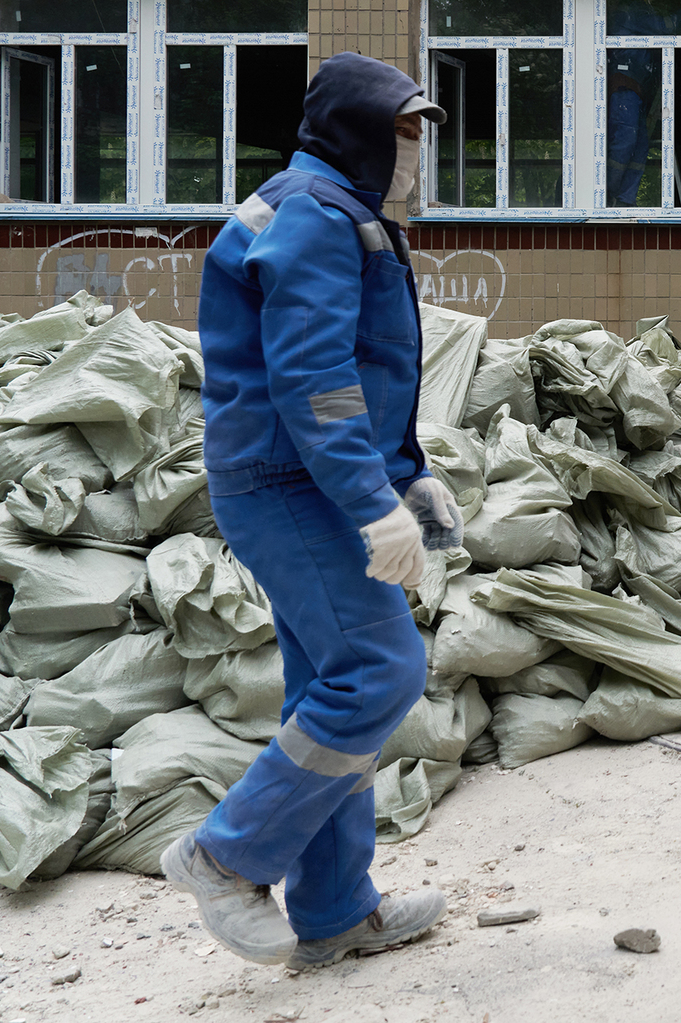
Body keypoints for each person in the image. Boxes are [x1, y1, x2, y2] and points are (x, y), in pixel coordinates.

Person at [166, 52, 465, 970]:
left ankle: (335, 909)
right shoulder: (316, 213)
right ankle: (224, 857)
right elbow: (314, 381)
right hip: (286, 484)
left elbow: (366, 369)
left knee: (329, 691)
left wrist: (405, 475)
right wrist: (374, 505)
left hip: (305, 479)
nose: (414, 149)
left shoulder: (341, 211)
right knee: (380, 672)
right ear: (359, 129)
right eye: (404, 130)